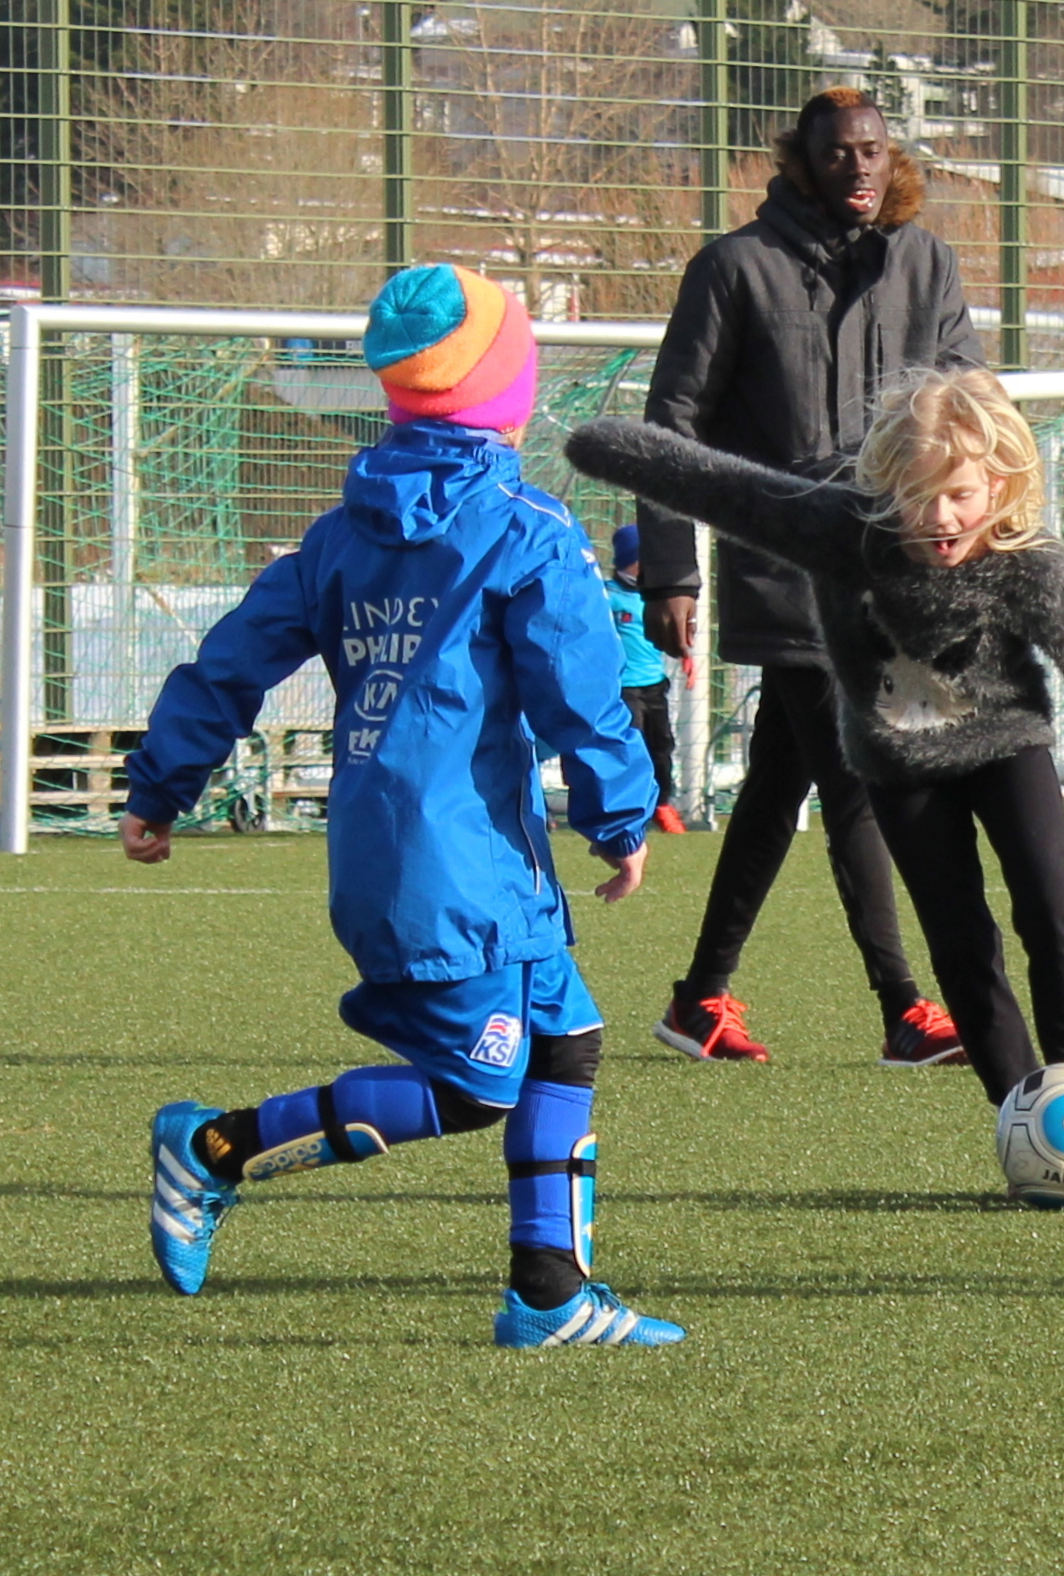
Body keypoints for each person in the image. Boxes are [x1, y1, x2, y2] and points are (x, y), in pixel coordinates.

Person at [123, 263, 684, 1349]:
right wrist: (620, 815)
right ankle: (214, 1149)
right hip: (456, 869)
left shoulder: (339, 535)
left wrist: (162, 781)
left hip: (435, 855)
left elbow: (231, 659)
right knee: (473, 1089)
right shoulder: (526, 528)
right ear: (508, 392)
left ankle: (550, 1297)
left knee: (566, 1041)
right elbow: (578, 690)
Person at [569, 368, 1064, 1194]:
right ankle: (1028, 1124)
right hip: (898, 762)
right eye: (919, 498)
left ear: (998, 485)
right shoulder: (840, 532)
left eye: (960, 495)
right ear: (887, 490)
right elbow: (726, 489)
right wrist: (612, 447)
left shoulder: (1027, 559)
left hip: (1006, 744)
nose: (942, 517)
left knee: (1050, 905)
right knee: (960, 940)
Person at [636, 85, 978, 1069]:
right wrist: (670, 570)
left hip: (892, 571)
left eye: (872, 150)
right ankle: (905, 1008)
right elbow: (670, 424)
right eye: (837, 154)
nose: (858, 168)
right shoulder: (734, 268)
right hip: (785, 566)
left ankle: (698, 999)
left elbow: (965, 404)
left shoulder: (925, 263)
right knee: (859, 779)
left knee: (779, 782)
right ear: (802, 161)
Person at [606, 523, 688, 835]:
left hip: (654, 682)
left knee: (662, 744)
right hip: (623, 686)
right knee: (632, 744)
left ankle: (662, 803)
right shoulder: (608, 596)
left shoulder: (654, 596)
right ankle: (630, 808)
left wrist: (686, 655)